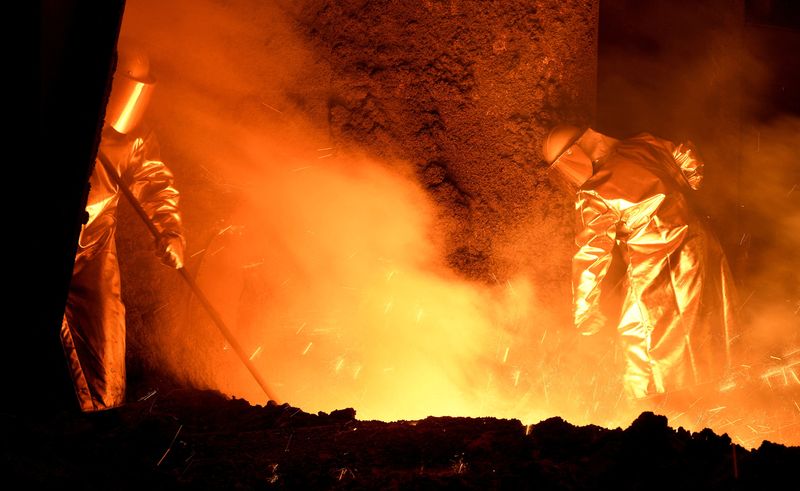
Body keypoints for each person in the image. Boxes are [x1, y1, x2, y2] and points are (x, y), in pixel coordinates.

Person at [542, 125, 737, 399]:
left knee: (642, 337)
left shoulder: (595, 193)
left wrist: (585, 311)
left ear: (575, 154)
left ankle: (656, 410)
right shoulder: (645, 144)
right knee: (705, 324)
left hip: (655, 267)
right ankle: (717, 397)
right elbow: (686, 156)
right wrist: (691, 184)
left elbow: (591, 252)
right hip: (699, 247)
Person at [60, 46, 185, 412]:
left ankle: (104, 418)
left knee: (105, 341)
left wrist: (170, 230)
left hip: (94, 251)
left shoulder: (134, 139)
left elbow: (155, 181)